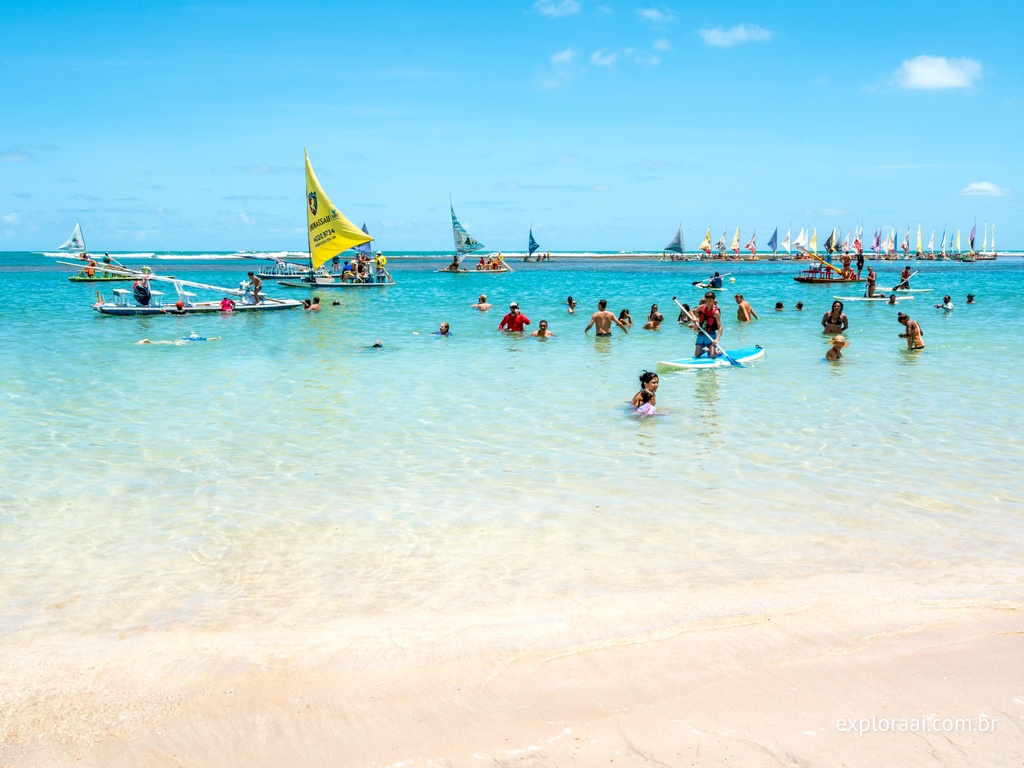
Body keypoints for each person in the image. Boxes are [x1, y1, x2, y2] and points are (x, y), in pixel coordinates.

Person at [694, 291, 722, 357]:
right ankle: (707, 350)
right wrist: (694, 318)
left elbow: (720, 327)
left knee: (712, 356)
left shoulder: (716, 312)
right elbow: (693, 312)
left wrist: (717, 339)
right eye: (706, 300)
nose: (708, 302)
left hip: (711, 334)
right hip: (701, 333)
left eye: (710, 300)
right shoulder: (701, 307)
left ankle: (718, 352)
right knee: (697, 355)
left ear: (713, 300)